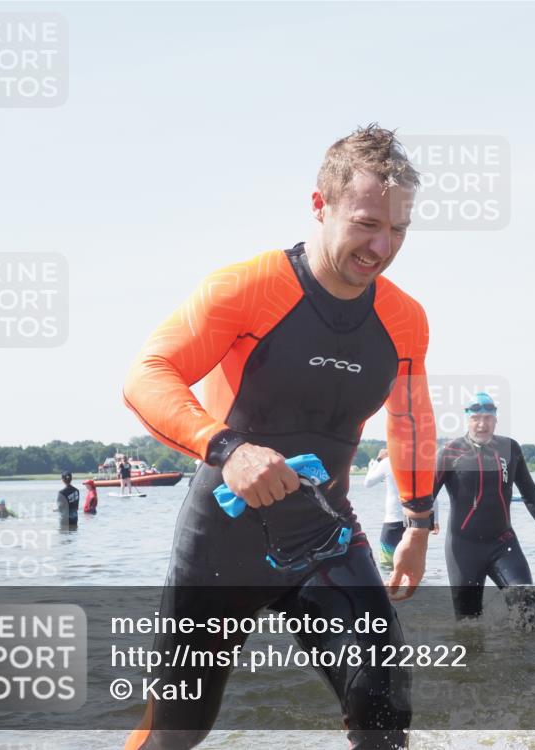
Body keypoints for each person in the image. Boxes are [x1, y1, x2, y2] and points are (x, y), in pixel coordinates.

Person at [122, 125, 436, 750]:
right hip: (222, 542)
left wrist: (420, 525)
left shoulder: (403, 318)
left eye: (398, 230)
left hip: (323, 534)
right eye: (366, 223)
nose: (382, 246)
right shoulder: (248, 288)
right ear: (320, 206)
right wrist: (226, 447)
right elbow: (147, 376)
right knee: (175, 733)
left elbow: (410, 421)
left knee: (384, 697)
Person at [433, 392, 535, 620]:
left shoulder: (510, 449)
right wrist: (416, 534)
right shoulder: (449, 452)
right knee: (468, 624)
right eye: (476, 418)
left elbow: (530, 492)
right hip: (463, 549)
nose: (482, 424)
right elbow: (426, 497)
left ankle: (526, 655)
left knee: (528, 608)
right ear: (467, 419)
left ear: (496, 420)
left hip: (503, 544)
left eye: (487, 418)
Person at [364, 448, 439, 567]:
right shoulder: (422, 463)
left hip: (393, 522)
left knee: (388, 566)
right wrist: (435, 520)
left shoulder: (387, 462)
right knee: (413, 568)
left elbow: (368, 482)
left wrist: (377, 461)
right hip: (417, 522)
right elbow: (431, 494)